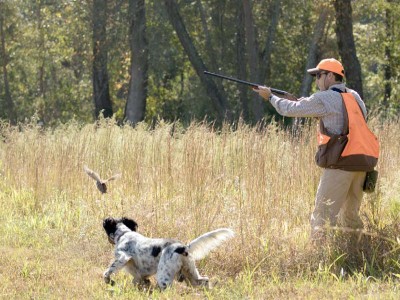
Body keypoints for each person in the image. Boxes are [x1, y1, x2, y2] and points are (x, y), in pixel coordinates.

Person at [253, 58, 370, 240]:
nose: (316, 80)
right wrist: (311, 107)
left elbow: (289, 109)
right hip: (362, 164)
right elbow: (350, 120)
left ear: (330, 76)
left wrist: (269, 96)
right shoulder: (354, 96)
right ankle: (359, 253)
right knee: (351, 217)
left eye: (318, 75)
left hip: (340, 166)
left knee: (322, 218)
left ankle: (319, 261)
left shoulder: (324, 98)